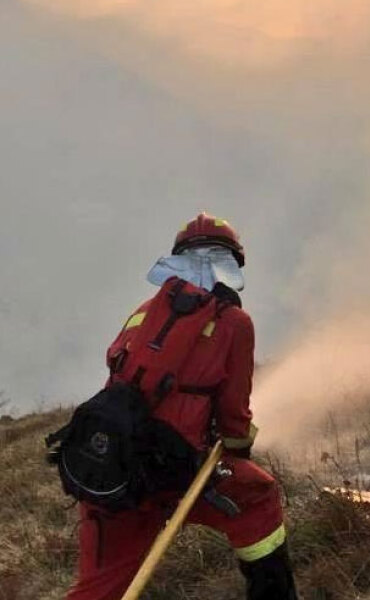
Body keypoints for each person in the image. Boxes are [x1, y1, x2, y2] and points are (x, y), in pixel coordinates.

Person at [65, 213, 297, 600]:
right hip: (174, 474)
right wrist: (238, 449)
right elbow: (234, 415)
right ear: (230, 265)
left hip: (108, 468)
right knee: (258, 496)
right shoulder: (235, 323)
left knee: (100, 589)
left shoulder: (142, 313)